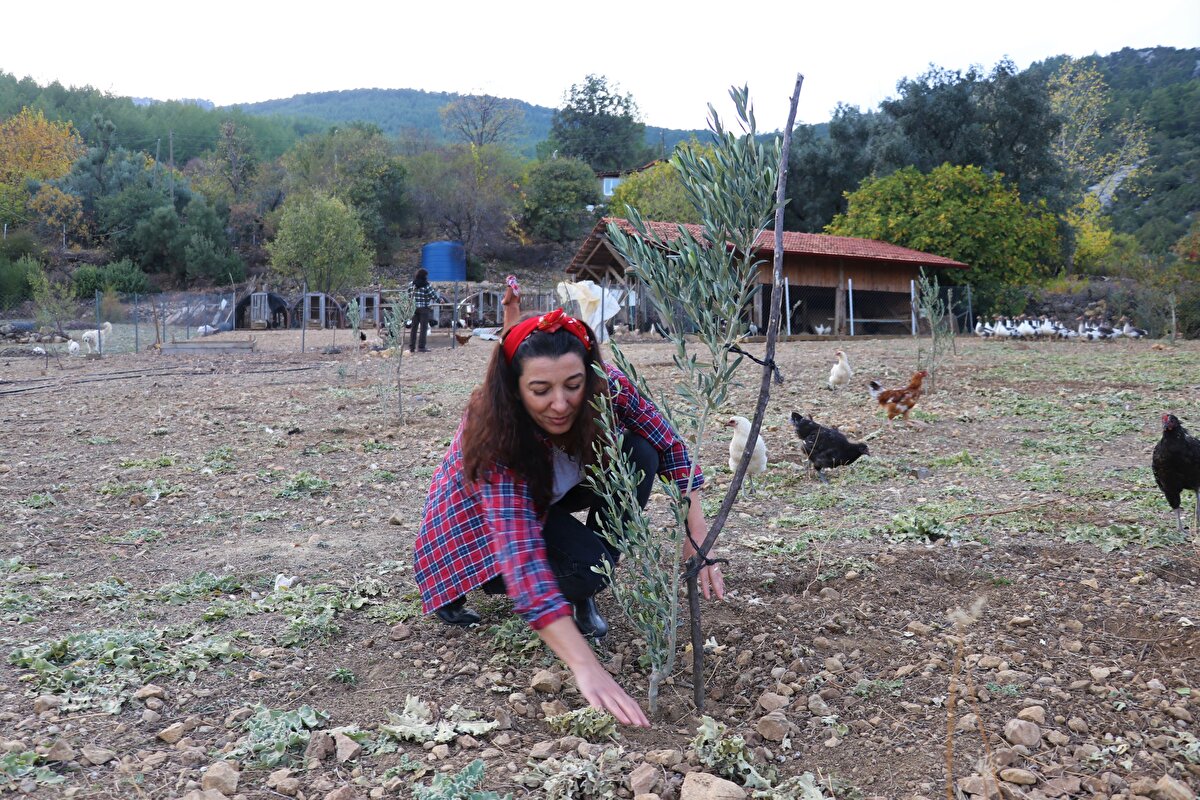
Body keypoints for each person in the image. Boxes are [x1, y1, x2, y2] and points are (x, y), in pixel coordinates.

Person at [413, 306, 725, 727]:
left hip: (551, 492)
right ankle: (491, 581)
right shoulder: (494, 433)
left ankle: (587, 582)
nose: (560, 404)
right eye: (541, 390)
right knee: (569, 567)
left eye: (573, 385)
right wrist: (585, 666)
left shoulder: (609, 386)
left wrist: (696, 532)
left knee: (640, 454)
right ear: (514, 387)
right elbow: (521, 556)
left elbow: (669, 445)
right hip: (484, 521)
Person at [407, 268, 445, 353]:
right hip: (423, 308)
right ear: (424, 276)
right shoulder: (427, 285)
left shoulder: (411, 284)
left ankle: (411, 347)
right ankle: (421, 347)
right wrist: (440, 301)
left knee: (414, 328)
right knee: (423, 328)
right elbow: (433, 296)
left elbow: (408, 296)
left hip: (413, 308)